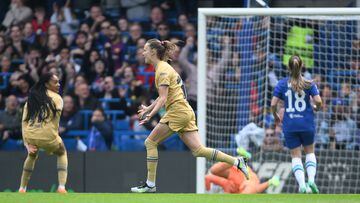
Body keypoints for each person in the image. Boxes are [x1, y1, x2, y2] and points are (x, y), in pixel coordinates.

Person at [130, 39, 249, 193]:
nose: (142, 52)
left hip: (177, 112)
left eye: (145, 49)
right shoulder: (163, 68)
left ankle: (150, 184)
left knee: (150, 143)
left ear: (153, 51)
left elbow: (163, 98)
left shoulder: (163, 70)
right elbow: (162, 97)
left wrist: (149, 115)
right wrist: (148, 109)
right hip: (185, 111)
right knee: (199, 150)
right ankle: (237, 161)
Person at [271, 55, 322, 194]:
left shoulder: (281, 84)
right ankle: (311, 179)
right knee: (310, 152)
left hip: (290, 124)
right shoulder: (309, 83)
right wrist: (316, 108)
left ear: (289, 67)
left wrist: (275, 116)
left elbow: (273, 104)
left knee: (296, 156)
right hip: (306, 123)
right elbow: (318, 101)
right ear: (301, 66)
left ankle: (302, 185)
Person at [18, 73, 68, 193]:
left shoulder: (31, 98)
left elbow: (24, 122)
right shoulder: (57, 98)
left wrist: (26, 143)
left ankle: (22, 188)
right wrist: (53, 138)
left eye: (58, 81)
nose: (58, 84)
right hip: (47, 136)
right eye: (55, 82)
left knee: (31, 155)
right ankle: (61, 187)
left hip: (30, 135)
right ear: (46, 84)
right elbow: (55, 122)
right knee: (62, 152)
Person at [205, 149, 280, 194]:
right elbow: (208, 177)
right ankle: (238, 159)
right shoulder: (244, 186)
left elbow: (208, 178)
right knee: (213, 170)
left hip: (244, 176)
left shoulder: (246, 187)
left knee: (213, 170)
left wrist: (208, 191)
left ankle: (238, 159)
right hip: (241, 174)